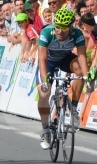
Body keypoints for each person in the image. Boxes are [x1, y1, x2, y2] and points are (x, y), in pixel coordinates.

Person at [36, 8, 88, 149]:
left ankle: (74, 108)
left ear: (71, 27)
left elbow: (82, 57)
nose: (60, 31)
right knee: (44, 94)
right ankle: (45, 129)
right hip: (48, 63)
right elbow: (42, 59)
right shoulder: (47, 32)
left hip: (65, 59)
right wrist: (45, 80)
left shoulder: (77, 34)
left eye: (64, 28)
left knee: (80, 70)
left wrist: (87, 77)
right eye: (57, 26)